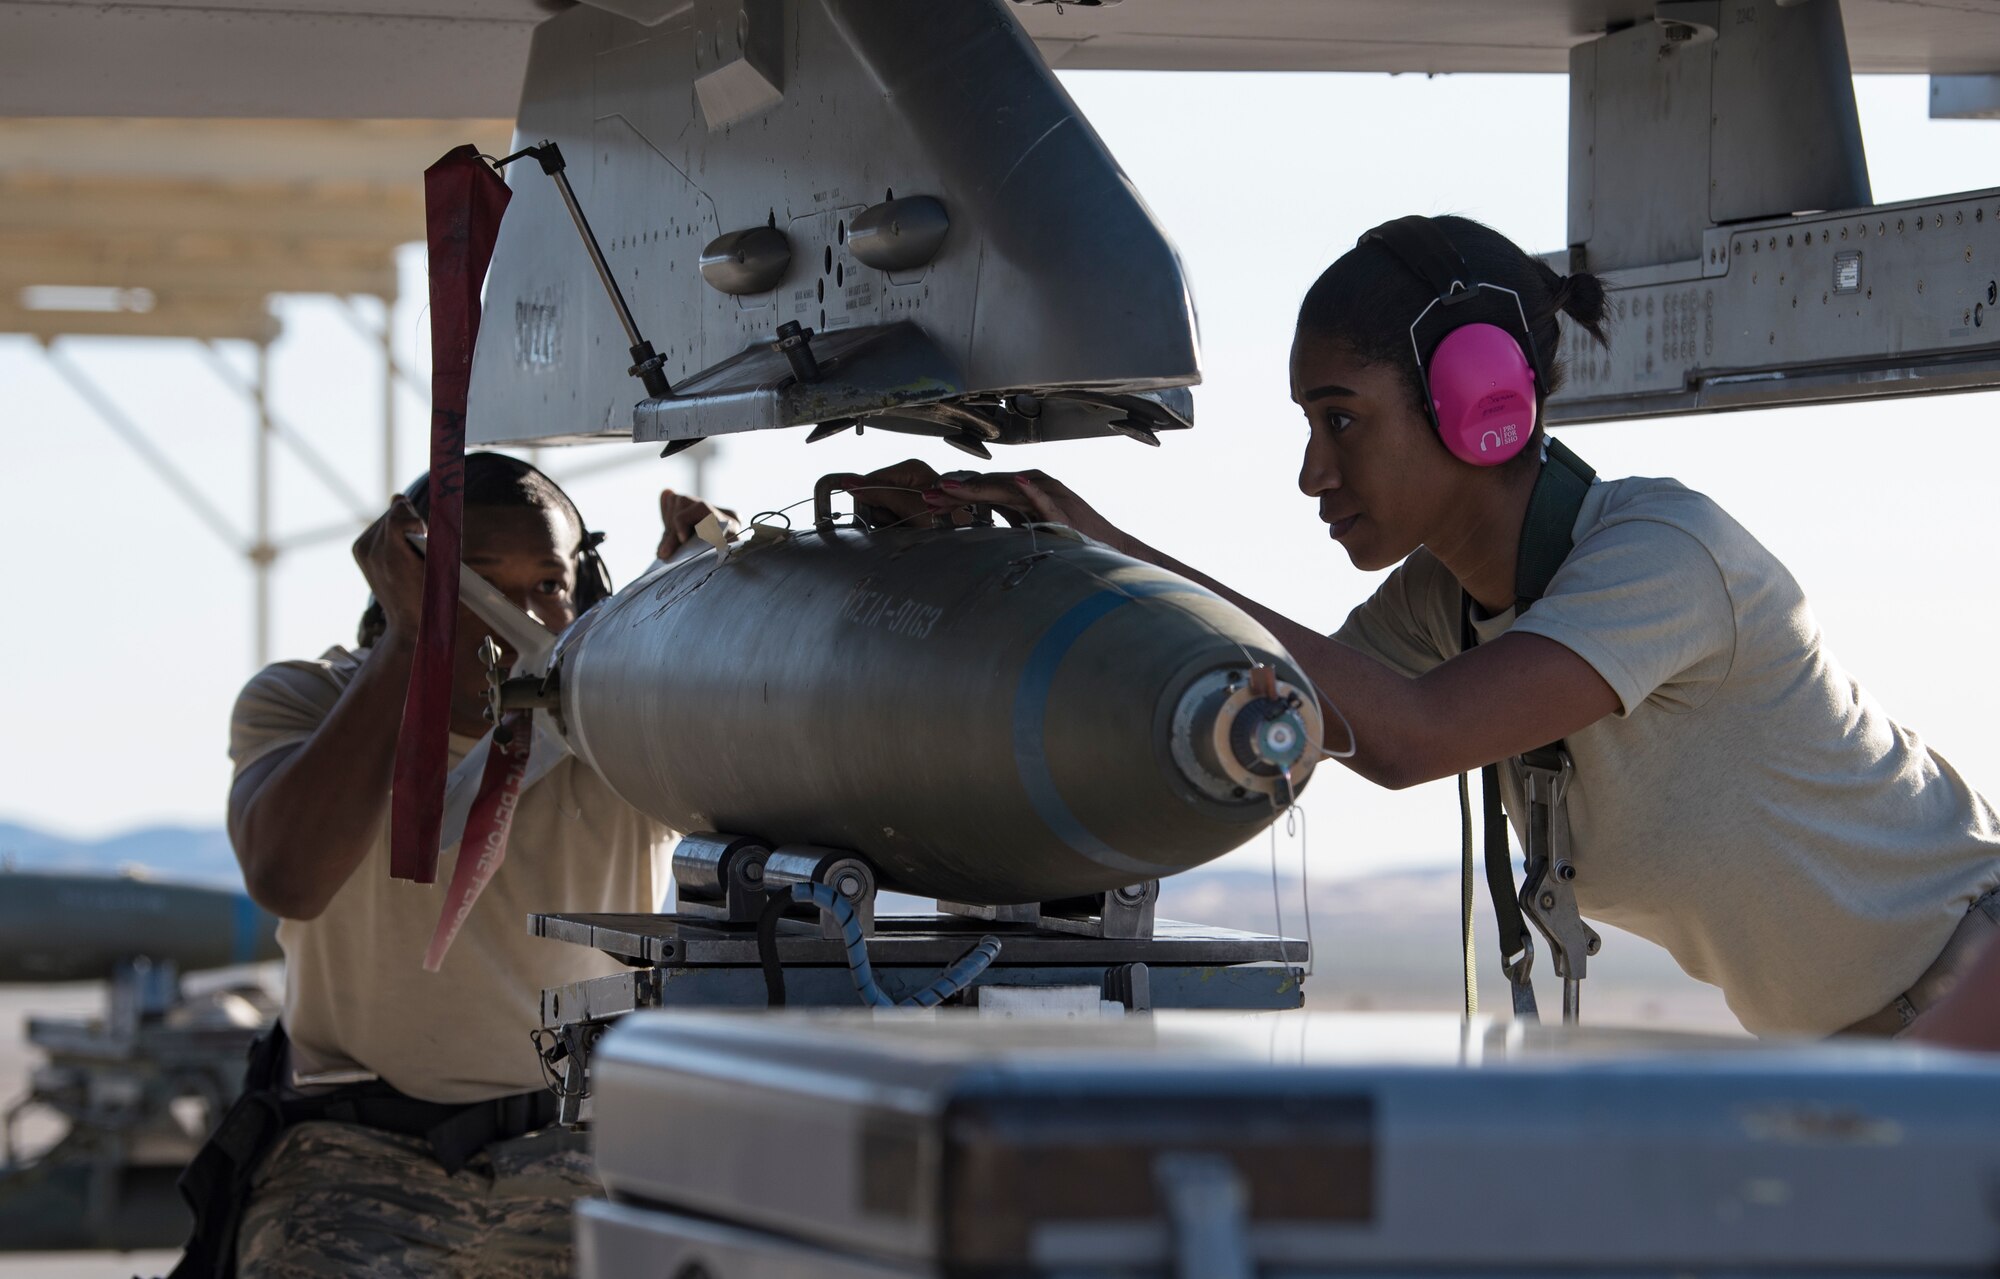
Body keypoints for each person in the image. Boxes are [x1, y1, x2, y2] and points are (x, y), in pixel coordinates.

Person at [840, 214, 2000, 1040]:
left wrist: (1112, 544)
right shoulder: (1432, 610)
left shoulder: (1662, 557)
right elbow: (1250, 702)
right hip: (1865, 1045)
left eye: (1340, 420)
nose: (1310, 472)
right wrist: (1020, 560)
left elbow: (1405, 736)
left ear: (1479, 404)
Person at [185, 453, 728, 1279]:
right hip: (359, 1153)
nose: (513, 619)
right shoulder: (306, 701)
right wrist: (409, 647)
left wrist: (699, 596)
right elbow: (287, 874)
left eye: (547, 584)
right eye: (473, 586)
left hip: (584, 1152)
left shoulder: (619, 725)